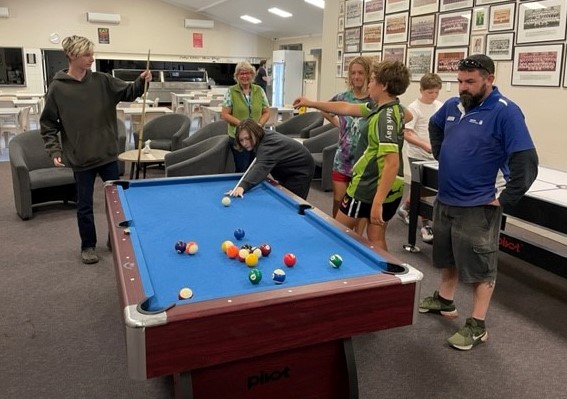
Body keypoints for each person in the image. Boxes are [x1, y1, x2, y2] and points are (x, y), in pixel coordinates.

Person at [419, 54, 538, 350]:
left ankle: (478, 324)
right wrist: (440, 151)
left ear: (489, 79)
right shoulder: (451, 106)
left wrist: (506, 199)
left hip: (480, 204)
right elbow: (435, 127)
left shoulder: (506, 112)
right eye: (460, 81)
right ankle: (446, 301)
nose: (463, 87)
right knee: (446, 256)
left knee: (480, 266)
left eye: (470, 82)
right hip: (446, 198)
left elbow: (526, 160)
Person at [40, 35, 152, 264]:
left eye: (92, 53)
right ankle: (88, 246)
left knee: (118, 204)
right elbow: (48, 124)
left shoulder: (102, 80)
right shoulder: (58, 88)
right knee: (84, 206)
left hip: (108, 155)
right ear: (72, 56)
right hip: (81, 159)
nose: (92, 58)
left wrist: (142, 81)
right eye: (87, 55)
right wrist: (54, 150)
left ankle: (116, 239)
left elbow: (129, 93)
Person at [293, 60, 411, 251]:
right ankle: (382, 278)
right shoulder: (386, 108)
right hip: (387, 185)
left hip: (368, 185)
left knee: (337, 231)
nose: (369, 84)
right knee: (375, 237)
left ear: (384, 85)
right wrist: (311, 102)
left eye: (372, 80)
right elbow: (346, 108)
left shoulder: (384, 118)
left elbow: (392, 163)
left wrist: (377, 202)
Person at [321, 56, 373, 219]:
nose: (356, 77)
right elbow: (324, 109)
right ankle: (335, 233)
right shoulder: (343, 97)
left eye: (360, 73)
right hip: (342, 158)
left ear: (368, 75)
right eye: (353, 73)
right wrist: (338, 124)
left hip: (364, 162)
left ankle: (356, 238)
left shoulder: (374, 100)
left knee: (359, 205)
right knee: (338, 200)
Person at [397, 72, 443, 243]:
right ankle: (425, 224)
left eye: (436, 92)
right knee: (422, 190)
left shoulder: (440, 106)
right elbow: (406, 133)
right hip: (417, 154)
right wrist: (424, 145)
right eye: (429, 92)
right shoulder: (413, 108)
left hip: (435, 154)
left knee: (425, 188)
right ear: (421, 90)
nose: (433, 96)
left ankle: (405, 208)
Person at [227, 119, 315, 200]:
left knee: (292, 200)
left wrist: (242, 186)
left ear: (255, 133)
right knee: (283, 196)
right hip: (287, 166)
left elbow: (260, 168)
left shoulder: (267, 146)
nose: (244, 143)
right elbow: (258, 163)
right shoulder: (261, 136)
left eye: (247, 138)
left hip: (301, 169)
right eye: (241, 140)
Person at [221, 61, 270, 172]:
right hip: (238, 137)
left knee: (255, 167)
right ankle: (240, 187)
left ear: (252, 75)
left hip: (256, 136)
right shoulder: (231, 91)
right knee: (242, 167)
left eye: (247, 73)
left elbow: (266, 112)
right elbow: (225, 114)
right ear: (237, 76)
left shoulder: (259, 90)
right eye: (241, 74)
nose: (244, 76)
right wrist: (243, 126)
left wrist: (259, 125)